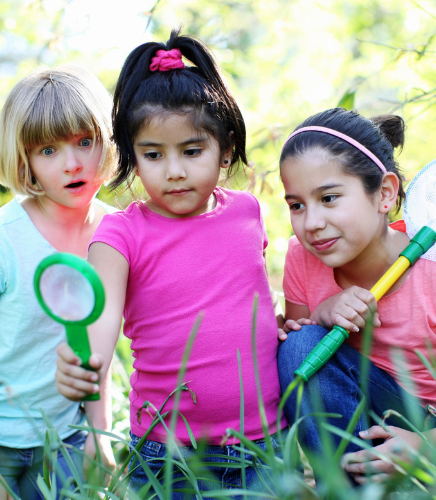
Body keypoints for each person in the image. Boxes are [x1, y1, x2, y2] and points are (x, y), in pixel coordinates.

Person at [55, 30, 286, 498]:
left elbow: (251, 295)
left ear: (225, 148)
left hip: (263, 443)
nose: (174, 170)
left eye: (192, 150)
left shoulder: (247, 211)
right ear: (133, 160)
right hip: (166, 452)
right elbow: (99, 325)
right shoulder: (121, 234)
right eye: (154, 155)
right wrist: (84, 364)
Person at [277, 107, 436, 486]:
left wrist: (429, 447)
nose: (311, 223)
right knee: (301, 345)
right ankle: (352, 491)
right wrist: (323, 313)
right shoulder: (302, 259)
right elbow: (301, 355)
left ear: (384, 193)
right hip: (365, 427)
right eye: (297, 205)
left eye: (328, 198)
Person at [0, 66, 117, 499]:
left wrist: (99, 433)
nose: (72, 164)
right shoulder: (6, 238)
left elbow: (98, 347)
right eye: (47, 150)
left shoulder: (115, 234)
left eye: (85, 142)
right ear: (24, 159)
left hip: (65, 436)